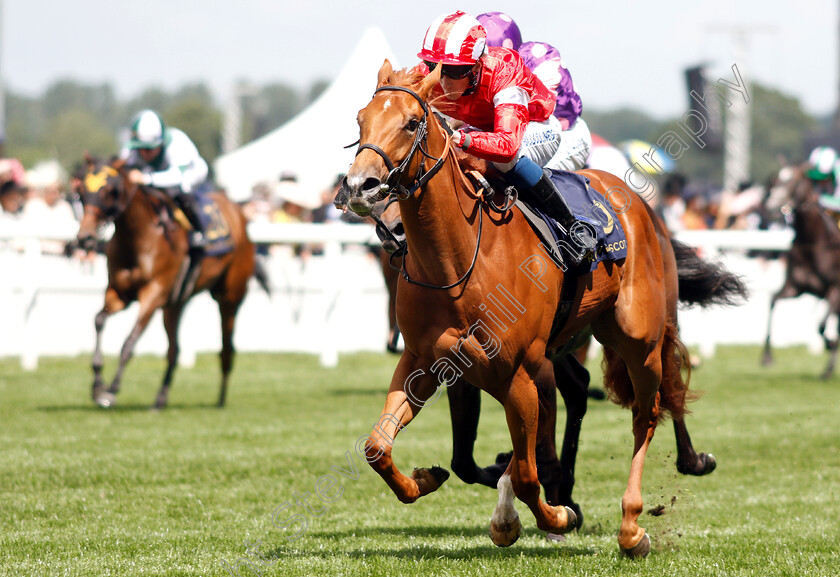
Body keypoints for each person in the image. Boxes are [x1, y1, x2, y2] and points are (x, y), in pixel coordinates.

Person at [418, 10, 591, 265]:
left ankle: (573, 227)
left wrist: (461, 139)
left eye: (455, 72)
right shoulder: (427, 72)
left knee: (502, 162)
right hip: (485, 128)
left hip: (537, 127)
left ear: (476, 64)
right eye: (435, 68)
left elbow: (507, 146)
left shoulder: (504, 72)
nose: (442, 81)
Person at [477, 12, 592, 172]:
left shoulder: (540, 61)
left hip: (563, 134)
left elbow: (519, 121)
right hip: (524, 132)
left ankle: (551, 197)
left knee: (514, 168)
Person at [119, 109, 210, 248]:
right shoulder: (131, 147)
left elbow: (176, 177)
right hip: (158, 172)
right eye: (140, 148)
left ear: (160, 143)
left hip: (191, 171)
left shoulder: (177, 141)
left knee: (182, 187)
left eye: (149, 149)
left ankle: (199, 231)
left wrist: (145, 178)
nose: (143, 153)